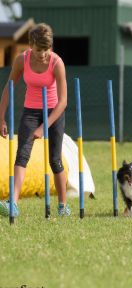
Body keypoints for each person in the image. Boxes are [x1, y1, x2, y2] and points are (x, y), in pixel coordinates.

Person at [0, 23, 70, 217]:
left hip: (54, 112)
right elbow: (9, 87)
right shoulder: (21, 60)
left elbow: (63, 101)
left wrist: (43, 128)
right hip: (30, 112)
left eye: (47, 49)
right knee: (21, 155)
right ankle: (12, 204)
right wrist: (1, 116)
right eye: (39, 50)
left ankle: (63, 206)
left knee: (55, 160)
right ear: (31, 46)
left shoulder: (57, 63)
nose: (43, 54)